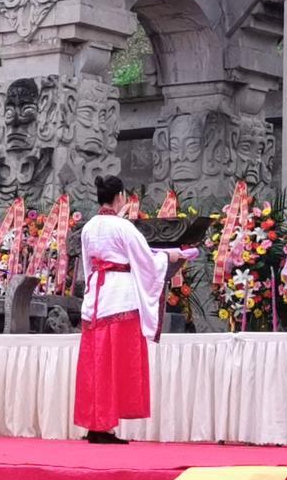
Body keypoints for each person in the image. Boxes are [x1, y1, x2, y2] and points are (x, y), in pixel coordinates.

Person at [74, 177, 199, 444]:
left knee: (96, 362)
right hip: (120, 296)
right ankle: (105, 427)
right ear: (120, 196)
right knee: (113, 363)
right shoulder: (123, 227)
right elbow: (145, 260)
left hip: (97, 296)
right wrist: (169, 257)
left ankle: (95, 423)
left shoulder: (89, 227)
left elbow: (88, 266)